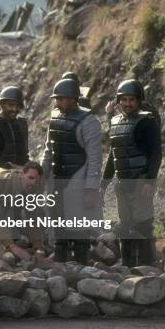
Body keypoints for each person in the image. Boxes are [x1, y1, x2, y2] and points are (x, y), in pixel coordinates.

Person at [40, 79, 102, 265]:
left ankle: (82, 264)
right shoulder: (55, 118)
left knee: (79, 224)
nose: (57, 102)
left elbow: (94, 158)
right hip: (58, 178)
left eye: (61, 98)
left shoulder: (89, 121)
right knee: (58, 221)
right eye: (56, 98)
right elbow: (48, 151)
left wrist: (91, 188)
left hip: (79, 178)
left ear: (73, 98)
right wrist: (42, 175)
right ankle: (60, 263)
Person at [101, 79, 162, 267]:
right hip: (122, 183)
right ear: (119, 101)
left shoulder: (147, 121)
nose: (128, 104)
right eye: (124, 99)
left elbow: (155, 153)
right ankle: (127, 267)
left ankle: (147, 268)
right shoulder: (115, 121)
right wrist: (104, 182)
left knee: (142, 225)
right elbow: (114, 155)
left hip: (140, 181)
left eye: (132, 100)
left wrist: (149, 181)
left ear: (139, 100)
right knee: (125, 225)